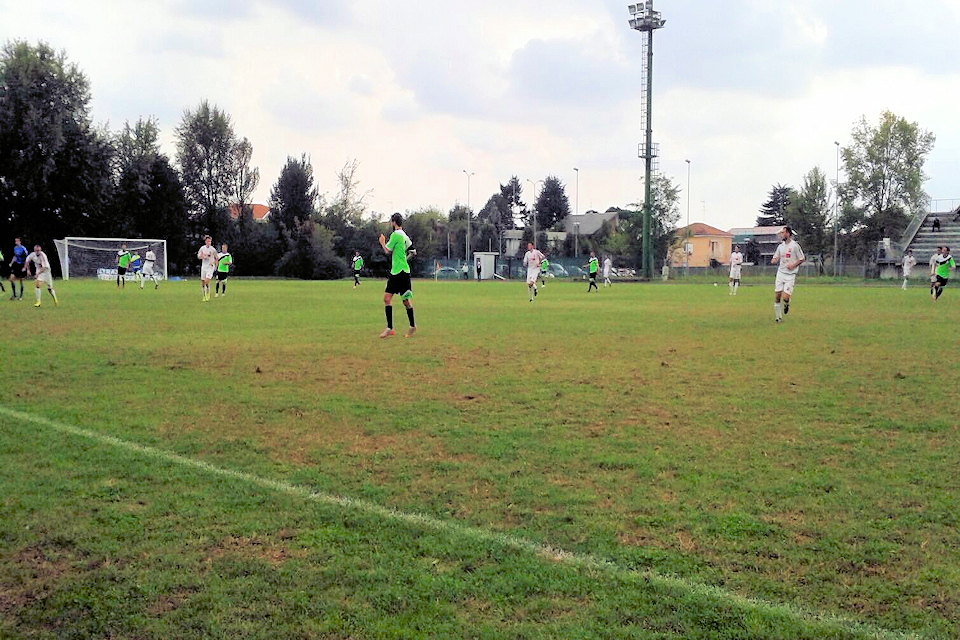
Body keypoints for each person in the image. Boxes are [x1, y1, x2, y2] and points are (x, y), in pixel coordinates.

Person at [378, 213, 417, 338]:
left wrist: (382, 242)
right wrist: (405, 259)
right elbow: (414, 252)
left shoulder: (395, 235)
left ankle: (390, 328)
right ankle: (410, 326)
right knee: (405, 301)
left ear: (394, 222)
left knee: (387, 299)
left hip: (397, 272)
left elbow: (387, 251)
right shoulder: (405, 235)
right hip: (403, 271)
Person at [771, 226, 805, 322]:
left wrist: (793, 265)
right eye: (781, 233)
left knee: (785, 297)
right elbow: (775, 257)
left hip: (790, 275)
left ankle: (786, 304)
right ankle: (778, 318)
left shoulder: (795, 246)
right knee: (777, 296)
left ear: (788, 234)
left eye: (783, 232)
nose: (781, 234)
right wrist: (774, 260)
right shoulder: (780, 246)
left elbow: (802, 258)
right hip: (780, 273)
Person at [197, 236, 218, 302]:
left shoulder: (213, 249)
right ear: (205, 241)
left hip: (210, 267)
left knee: (207, 281)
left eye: (210, 241)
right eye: (207, 241)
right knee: (203, 282)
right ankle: (204, 295)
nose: (209, 242)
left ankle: (208, 293)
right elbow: (199, 256)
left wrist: (215, 266)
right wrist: (202, 256)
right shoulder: (202, 248)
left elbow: (216, 257)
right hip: (204, 267)